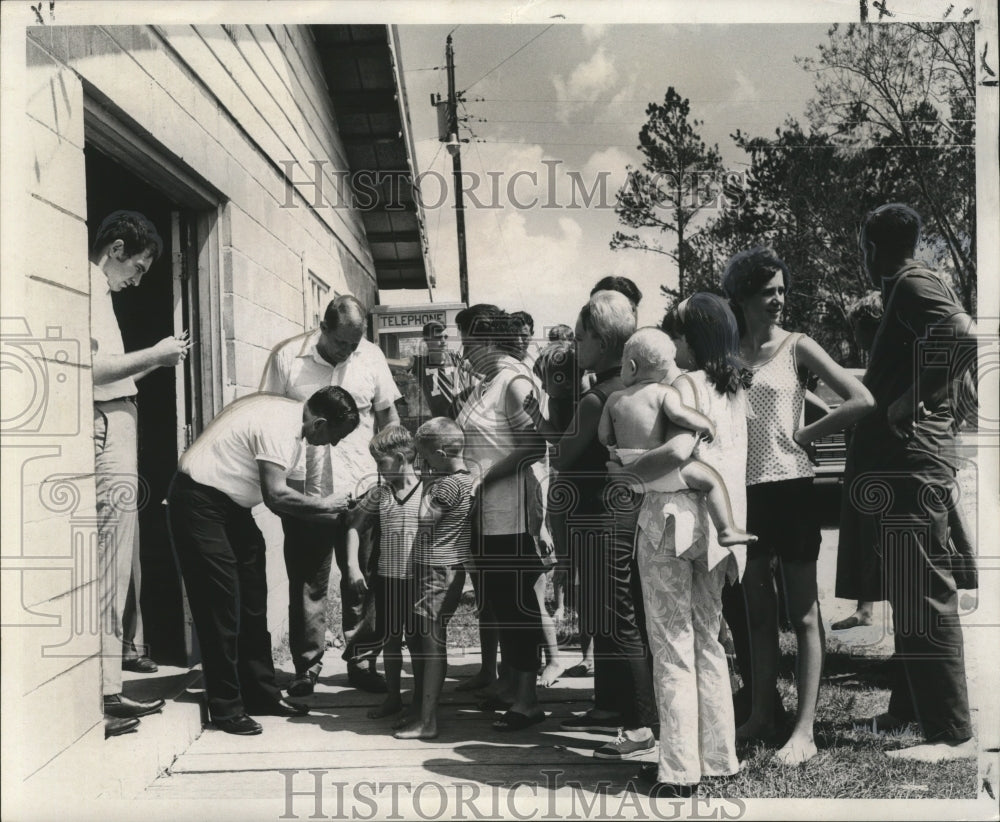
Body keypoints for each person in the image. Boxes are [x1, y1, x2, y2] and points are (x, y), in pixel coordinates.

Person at [721, 246, 875, 765]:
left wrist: (806, 433)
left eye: (783, 290)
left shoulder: (798, 346)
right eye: (769, 293)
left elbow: (859, 398)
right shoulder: (725, 352)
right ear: (741, 297)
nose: (780, 300)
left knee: (804, 614)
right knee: (757, 614)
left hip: (791, 488)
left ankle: (803, 731)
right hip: (743, 494)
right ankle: (763, 714)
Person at [843, 204, 977, 762]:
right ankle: (910, 710)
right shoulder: (909, 284)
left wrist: (906, 400)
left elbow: (966, 338)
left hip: (912, 462)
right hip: (903, 464)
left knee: (924, 588)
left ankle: (952, 735)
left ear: (871, 247)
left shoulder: (913, 281)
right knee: (907, 587)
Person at [615, 293, 751, 795]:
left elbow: (676, 451)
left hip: (672, 520)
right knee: (708, 641)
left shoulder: (683, 384)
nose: (671, 346)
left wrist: (627, 475)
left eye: (676, 334)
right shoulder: (737, 388)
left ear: (690, 339)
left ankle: (678, 769)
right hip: (719, 529)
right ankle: (719, 757)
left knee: (671, 644)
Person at [166, 387, 360, 735]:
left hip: (231, 507)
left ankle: (260, 694)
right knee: (221, 605)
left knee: (253, 600)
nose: (332, 445)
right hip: (198, 501)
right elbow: (275, 496)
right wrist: (326, 506)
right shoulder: (280, 429)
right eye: (334, 436)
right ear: (319, 423)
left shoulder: (292, 418)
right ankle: (225, 707)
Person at [260, 295, 401, 696]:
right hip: (307, 486)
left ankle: (361, 659)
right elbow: (269, 414)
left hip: (362, 485)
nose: (348, 351)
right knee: (309, 578)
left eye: (355, 343)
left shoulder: (371, 357)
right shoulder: (288, 357)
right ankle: (308, 666)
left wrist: (393, 473)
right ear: (322, 327)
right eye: (342, 343)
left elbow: (388, 416)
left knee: (366, 576)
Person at [89, 210, 189, 737]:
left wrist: (157, 362)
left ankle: (108, 688)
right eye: (140, 267)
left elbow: (114, 369)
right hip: (105, 429)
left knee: (117, 560)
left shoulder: (100, 292)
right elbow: (93, 371)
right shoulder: (86, 286)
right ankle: (103, 695)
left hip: (115, 420)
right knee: (109, 560)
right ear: (117, 248)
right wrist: (154, 352)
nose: (139, 279)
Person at [545, 292, 658, 756]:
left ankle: (640, 726)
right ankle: (625, 709)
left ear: (604, 342)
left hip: (599, 517)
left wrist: (552, 417)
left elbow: (564, 454)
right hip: (633, 512)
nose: (576, 347)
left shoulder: (594, 399)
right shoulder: (635, 390)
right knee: (629, 615)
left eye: (581, 338)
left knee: (618, 620)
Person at [456, 307, 549, 730]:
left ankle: (528, 700)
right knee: (496, 602)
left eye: (470, 344)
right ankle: (511, 686)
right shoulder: (486, 384)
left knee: (517, 606)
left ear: (490, 342)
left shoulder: (513, 383)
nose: (465, 352)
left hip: (507, 513)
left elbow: (533, 447)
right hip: (481, 514)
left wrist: (482, 480)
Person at [600, 326, 757, 547]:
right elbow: (681, 415)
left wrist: (615, 453)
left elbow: (604, 435)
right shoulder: (666, 392)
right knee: (711, 481)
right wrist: (705, 425)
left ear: (632, 366)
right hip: (662, 468)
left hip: (630, 471)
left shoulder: (614, 398)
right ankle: (726, 530)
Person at [394, 418, 475, 740]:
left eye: (424, 459)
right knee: (425, 641)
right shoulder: (468, 479)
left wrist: (425, 485)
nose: (421, 465)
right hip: (440, 570)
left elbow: (425, 521)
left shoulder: (445, 485)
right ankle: (420, 712)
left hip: (437, 573)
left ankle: (427, 721)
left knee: (431, 645)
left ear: (440, 454)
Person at [344, 426, 422, 721]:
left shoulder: (427, 491)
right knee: (390, 640)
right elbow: (353, 525)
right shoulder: (380, 493)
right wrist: (352, 565)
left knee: (416, 643)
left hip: (417, 582)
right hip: (387, 579)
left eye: (381, 462)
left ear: (401, 458)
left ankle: (419, 702)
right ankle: (393, 698)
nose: (377, 469)